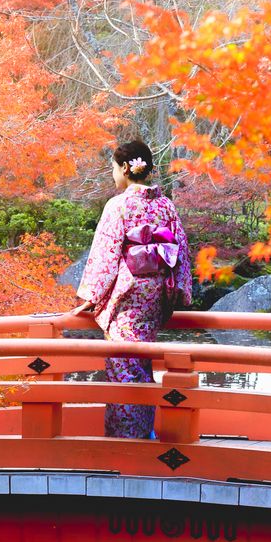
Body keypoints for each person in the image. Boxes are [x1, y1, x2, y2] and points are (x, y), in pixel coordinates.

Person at [72, 139, 193, 438]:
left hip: (127, 297)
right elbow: (181, 251)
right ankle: (144, 434)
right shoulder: (166, 205)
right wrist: (179, 290)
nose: (113, 174)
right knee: (140, 363)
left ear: (126, 168)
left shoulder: (119, 205)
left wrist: (90, 297)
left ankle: (130, 443)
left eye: (114, 168)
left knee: (124, 368)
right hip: (154, 295)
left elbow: (105, 254)